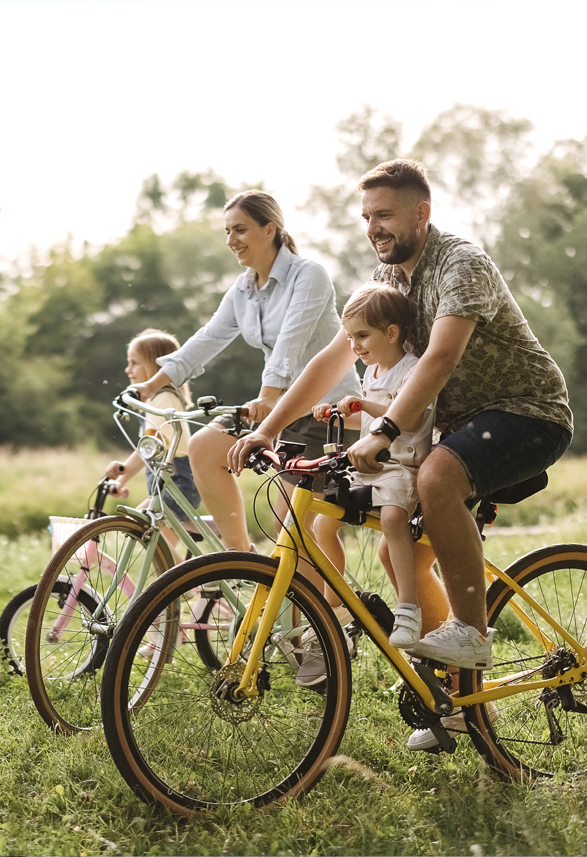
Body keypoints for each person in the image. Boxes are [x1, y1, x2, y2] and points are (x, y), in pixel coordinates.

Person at [228, 159, 573, 750]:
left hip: (527, 412)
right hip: (455, 424)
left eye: (384, 215)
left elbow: (439, 358)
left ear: (422, 213)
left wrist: (383, 431)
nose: (373, 228)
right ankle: (455, 701)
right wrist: (271, 427)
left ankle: (472, 632)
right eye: (366, 217)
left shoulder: (461, 263)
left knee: (439, 478)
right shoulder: (386, 278)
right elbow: (335, 359)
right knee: (401, 555)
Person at [128, 189, 362, 687]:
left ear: (269, 229)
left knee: (303, 532)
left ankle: (332, 628)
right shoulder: (243, 289)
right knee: (208, 446)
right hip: (276, 407)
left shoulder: (309, 275)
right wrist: (156, 381)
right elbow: (209, 337)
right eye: (228, 231)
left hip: (325, 411)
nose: (232, 239)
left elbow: (294, 342)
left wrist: (268, 395)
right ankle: (244, 565)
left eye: (240, 229)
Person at [310, 283, 439, 648]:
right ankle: (334, 604)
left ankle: (408, 608)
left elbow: (410, 421)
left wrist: (363, 405)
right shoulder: (373, 373)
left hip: (403, 466)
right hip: (370, 465)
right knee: (323, 521)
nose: (355, 346)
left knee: (394, 520)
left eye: (362, 336)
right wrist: (339, 412)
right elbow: (367, 425)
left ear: (392, 332)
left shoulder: (411, 369)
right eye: (350, 337)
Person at [104, 330, 203, 545]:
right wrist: (120, 479)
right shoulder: (153, 403)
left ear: (155, 366)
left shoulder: (164, 399)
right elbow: (145, 450)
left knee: (143, 532)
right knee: (156, 546)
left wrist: (122, 475)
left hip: (178, 485)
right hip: (170, 486)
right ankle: (188, 576)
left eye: (134, 363)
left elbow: (148, 449)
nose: (128, 369)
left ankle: (187, 578)